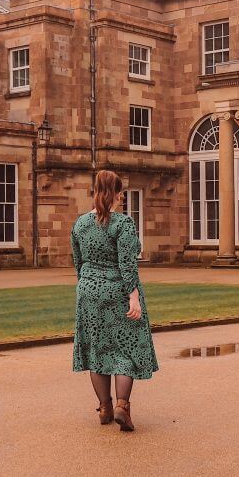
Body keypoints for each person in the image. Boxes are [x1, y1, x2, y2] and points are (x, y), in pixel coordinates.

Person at [71, 169, 158, 431]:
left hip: (87, 290)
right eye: (121, 192)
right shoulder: (122, 224)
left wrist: (87, 286)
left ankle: (104, 408)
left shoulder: (80, 224)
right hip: (117, 289)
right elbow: (127, 264)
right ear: (116, 194)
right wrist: (134, 298)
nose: (121, 197)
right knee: (126, 348)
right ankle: (122, 406)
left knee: (97, 349)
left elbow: (78, 262)